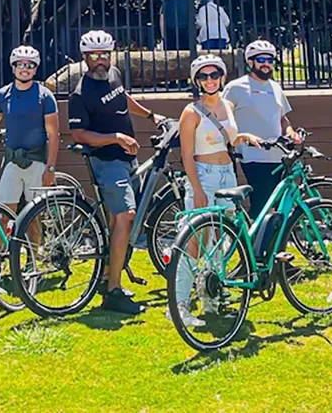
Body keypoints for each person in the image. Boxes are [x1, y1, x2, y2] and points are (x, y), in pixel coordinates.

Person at [68, 30, 164, 315]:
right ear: (84, 58)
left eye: (105, 55)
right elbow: (79, 133)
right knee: (126, 217)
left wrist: (150, 115)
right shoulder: (80, 94)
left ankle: (108, 276)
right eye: (94, 56)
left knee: (116, 221)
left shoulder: (114, 75)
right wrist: (117, 138)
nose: (101, 61)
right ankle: (113, 292)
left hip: (126, 160)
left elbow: (124, 98)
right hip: (106, 161)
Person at [169, 54, 261, 327]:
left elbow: (230, 140)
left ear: (222, 77)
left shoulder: (228, 105)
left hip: (227, 175)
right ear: (197, 81)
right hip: (204, 175)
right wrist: (196, 188)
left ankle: (211, 297)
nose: (209, 81)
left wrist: (245, 137)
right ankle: (179, 304)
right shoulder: (191, 112)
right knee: (195, 241)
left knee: (221, 238)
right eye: (203, 76)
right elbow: (187, 154)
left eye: (214, 75)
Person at [223, 40, 301, 258]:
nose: (266, 64)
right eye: (261, 60)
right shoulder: (236, 87)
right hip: (253, 157)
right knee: (262, 207)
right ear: (250, 62)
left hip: (279, 157)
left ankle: (273, 257)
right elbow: (224, 116)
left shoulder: (276, 88)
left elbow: (283, 119)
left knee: (279, 210)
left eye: (270, 60)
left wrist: (291, 133)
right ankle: (252, 258)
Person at [0, 45, 60, 215]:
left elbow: (53, 134)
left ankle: (36, 244)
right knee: (3, 215)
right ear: (13, 67)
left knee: (34, 219)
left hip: (37, 162)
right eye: (20, 64)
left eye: (30, 65)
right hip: (12, 162)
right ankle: (2, 243)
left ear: (35, 69)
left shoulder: (45, 96)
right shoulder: (3, 95)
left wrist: (50, 169)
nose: (24, 69)